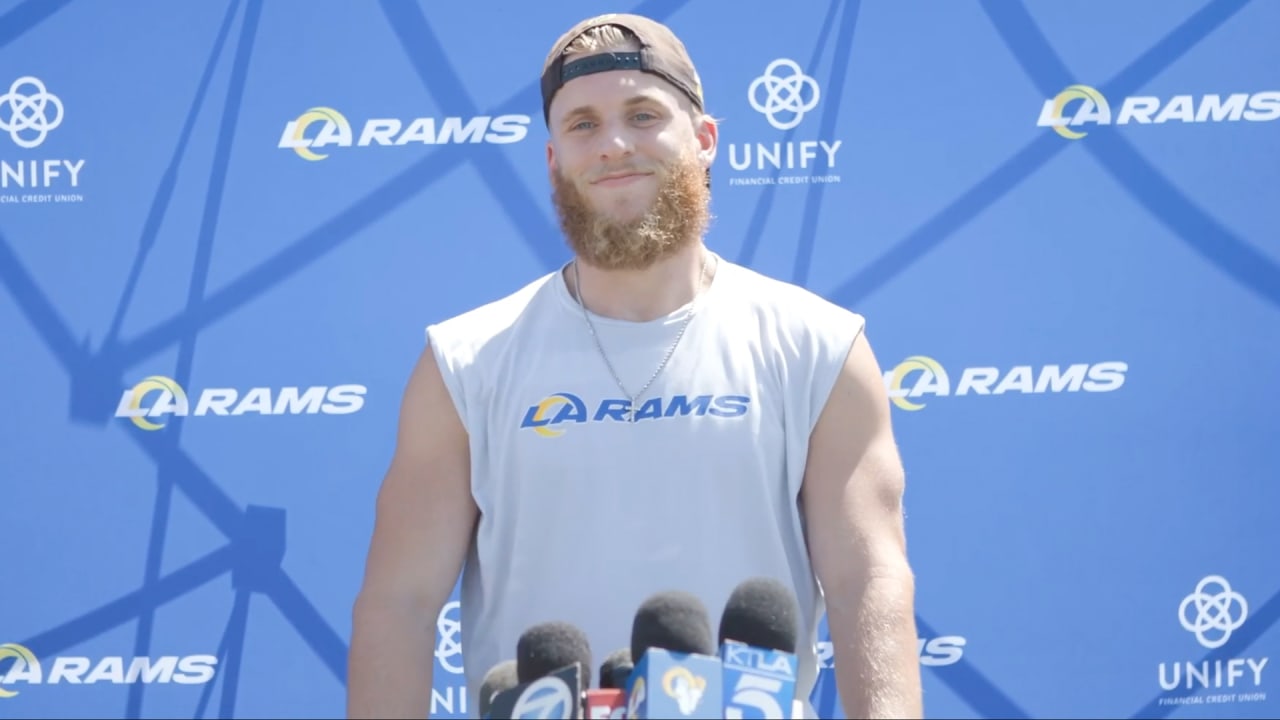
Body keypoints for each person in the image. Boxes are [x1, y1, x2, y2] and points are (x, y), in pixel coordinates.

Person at [346, 12, 923, 720]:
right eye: (583, 125)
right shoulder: (465, 360)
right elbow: (398, 601)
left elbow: (869, 580)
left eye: (643, 115)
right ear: (554, 158)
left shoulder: (819, 344)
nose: (614, 145)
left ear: (705, 140)